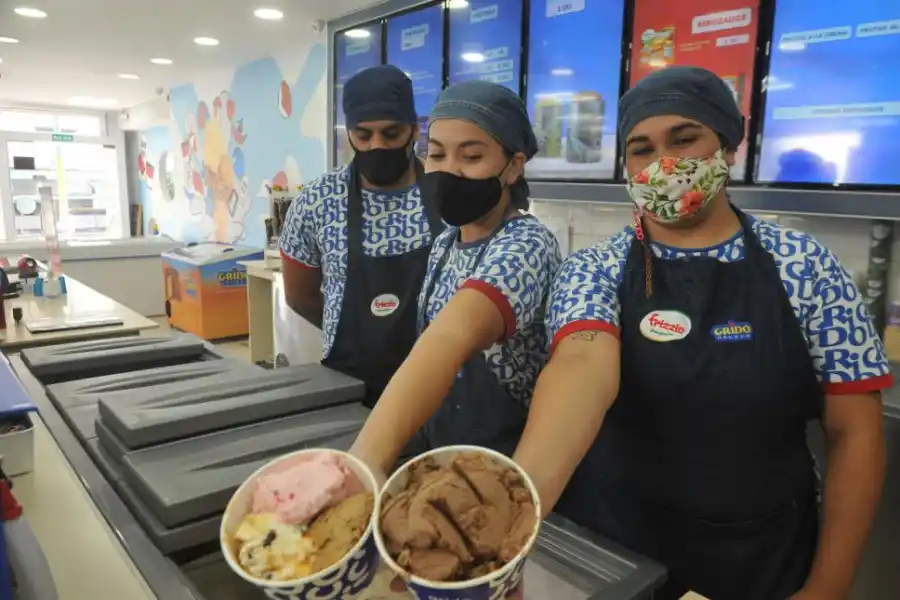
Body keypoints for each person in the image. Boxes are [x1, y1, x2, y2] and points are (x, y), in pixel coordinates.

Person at [510, 66, 890, 600]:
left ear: (728, 146)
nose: (664, 163)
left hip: (758, 560)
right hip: (618, 553)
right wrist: (512, 518)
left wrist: (827, 588)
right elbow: (578, 369)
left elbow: (855, 434)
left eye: (684, 139)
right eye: (642, 148)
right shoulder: (594, 268)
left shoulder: (805, 266)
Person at [349, 79, 562, 466]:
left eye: (471, 157)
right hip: (441, 444)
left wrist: (365, 461)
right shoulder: (446, 243)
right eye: (437, 154)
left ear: (513, 167)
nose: (448, 171)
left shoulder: (528, 244)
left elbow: (454, 333)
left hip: (503, 458)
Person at [279, 65, 443, 408]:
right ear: (349, 133)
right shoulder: (316, 201)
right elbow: (300, 297)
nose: (377, 146)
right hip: (350, 386)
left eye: (391, 133)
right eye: (363, 135)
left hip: (440, 384)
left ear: (414, 129)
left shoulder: (448, 192)